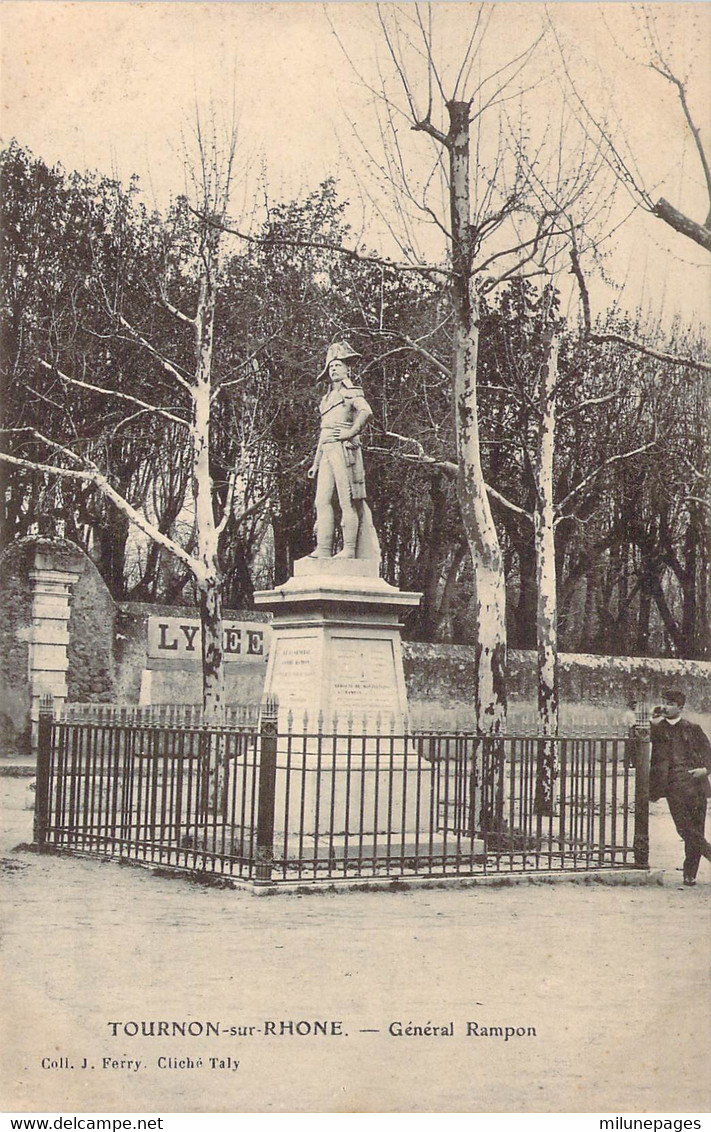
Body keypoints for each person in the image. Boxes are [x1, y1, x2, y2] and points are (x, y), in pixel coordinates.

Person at [307, 341, 380, 561]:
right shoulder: (326, 399)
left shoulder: (351, 392)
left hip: (343, 450)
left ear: (347, 368)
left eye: (338, 365)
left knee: (346, 501)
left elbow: (366, 412)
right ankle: (324, 549)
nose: (334, 369)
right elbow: (323, 432)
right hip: (327, 449)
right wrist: (316, 463)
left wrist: (350, 433)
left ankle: (349, 549)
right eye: (331, 367)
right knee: (321, 501)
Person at [649, 688, 711, 886]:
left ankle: (689, 873)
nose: (665, 706)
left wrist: (705, 770)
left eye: (670, 703)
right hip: (673, 786)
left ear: (680, 707)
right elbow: (638, 744)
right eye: (664, 701)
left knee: (697, 827)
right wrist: (649, 717)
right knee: (683, 828)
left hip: (695, 785)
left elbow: (709, 753)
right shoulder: (657, 729)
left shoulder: (693, 728)